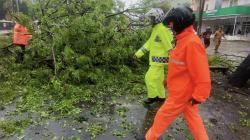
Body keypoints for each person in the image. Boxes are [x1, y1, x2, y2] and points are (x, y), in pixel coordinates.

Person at [137, 6, 211, 140]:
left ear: (179, 22)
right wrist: (167, 80)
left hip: (182, 94)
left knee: (162, 116)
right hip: (184, 92)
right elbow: (179, 67)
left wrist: (199, 96)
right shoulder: (182, 40)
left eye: (171, 24)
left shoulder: (192, 43)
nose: (170, 27)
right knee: (194, 121)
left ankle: (149, 137)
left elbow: (202, 74)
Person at [134, 8, 173, 104]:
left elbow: (169, 46)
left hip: (158, 61)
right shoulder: (156, 29)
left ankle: (153, 96)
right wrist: (137, 54)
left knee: (149, 78)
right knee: (159, 80)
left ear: (157, 18)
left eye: (151, 18)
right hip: (157, 61)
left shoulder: (162, 30)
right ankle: (161, 96)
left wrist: (174, 62)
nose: (150, 20)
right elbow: (149, 44)